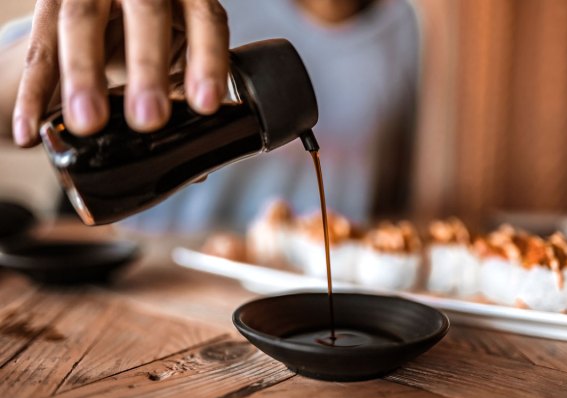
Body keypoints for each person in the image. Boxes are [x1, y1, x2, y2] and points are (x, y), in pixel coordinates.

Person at [0, 0, 419, 233]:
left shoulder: (406, 26)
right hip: (159, 284)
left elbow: (393, 184)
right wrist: (76, 70)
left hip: (310, 288)